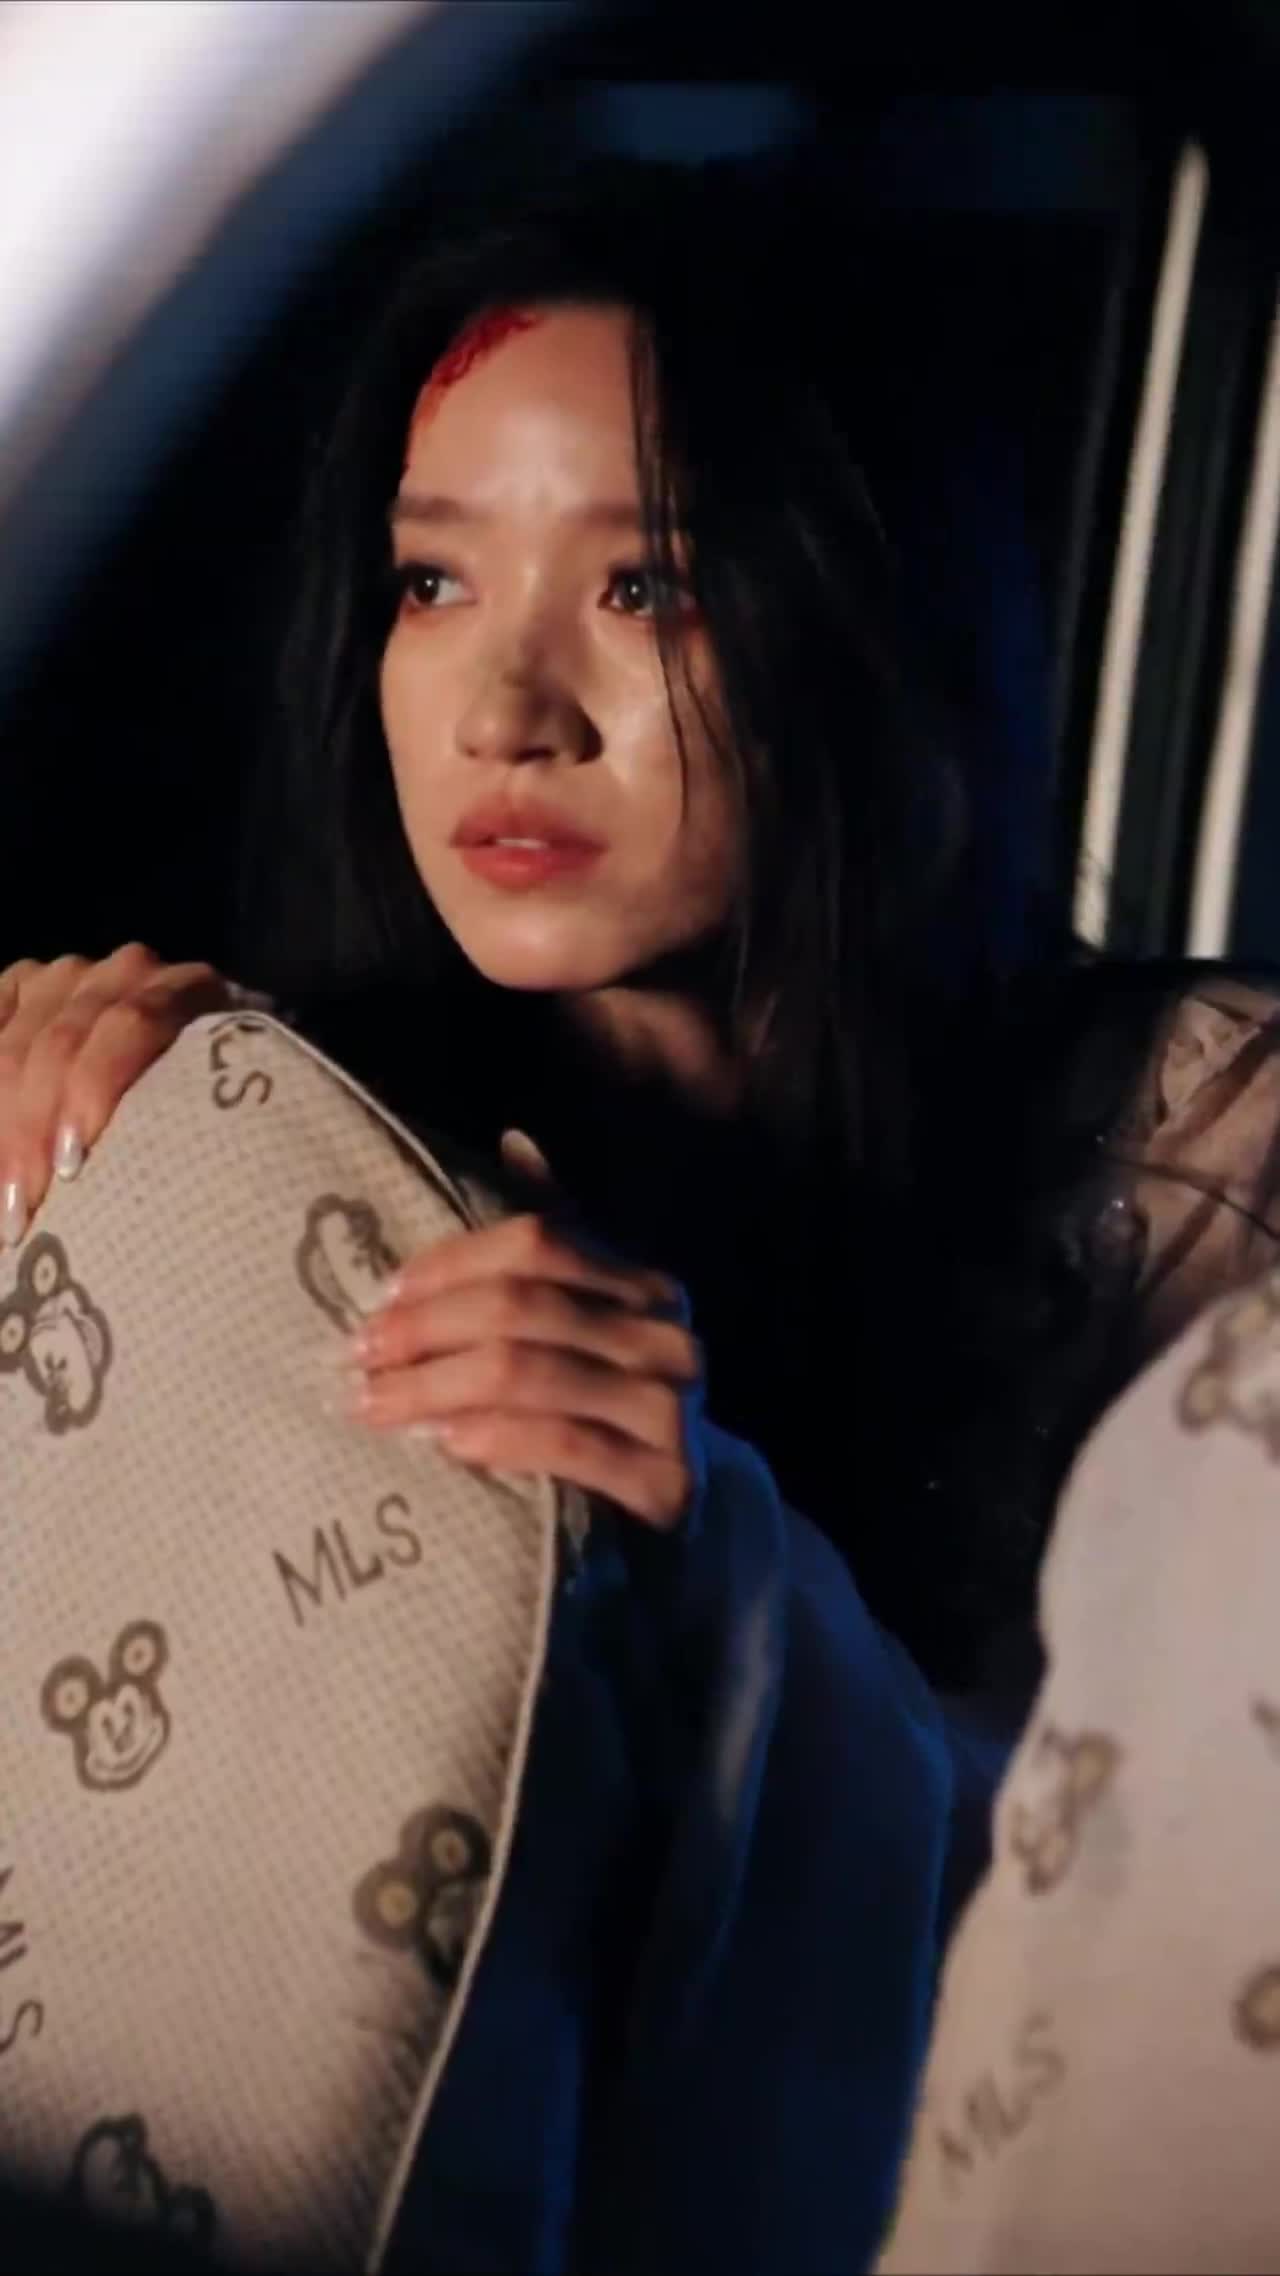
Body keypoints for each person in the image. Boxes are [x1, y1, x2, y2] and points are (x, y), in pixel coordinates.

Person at [2, 158, 1280, 2268]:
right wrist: (88, 1184)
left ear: (871, 617)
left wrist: (721, 1556)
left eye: (646, 586)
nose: (507, 712)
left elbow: (1156, 1985)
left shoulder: (1211, 1152)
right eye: (432, 582)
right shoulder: (282, 1155)